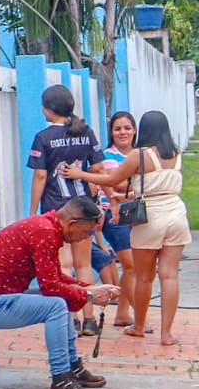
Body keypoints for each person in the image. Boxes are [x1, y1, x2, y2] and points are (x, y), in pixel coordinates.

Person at [0, 197, 117, 389]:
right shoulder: (44, 232)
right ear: (72, 224)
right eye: (87, 232)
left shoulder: (46, 227)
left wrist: (88, 288)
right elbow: (50, 286)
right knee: (57, 304)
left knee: (61, 297)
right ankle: (61, 380)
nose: (85, 238)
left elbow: (55, 278)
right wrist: (91, 296)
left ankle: (72, 366)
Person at [63, 110, 191, 345]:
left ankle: (139, 327)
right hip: (177, 213)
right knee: (170, 276)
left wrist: (80, 174)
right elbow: (160, 186)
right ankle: (166, 334)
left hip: (151, 217)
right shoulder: (175, 154)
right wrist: (129, 196)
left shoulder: (139, 155)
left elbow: (112, 181)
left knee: (144, 277)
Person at [27, 84, 104, 335]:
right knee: (84, 264)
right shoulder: (86, 132)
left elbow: (40, 175)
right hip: (84, 205)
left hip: (57, 209)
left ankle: (71, 319)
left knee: (64, 265)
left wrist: (33, 210)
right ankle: (89, 318)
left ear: (48, 109)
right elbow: (99, 169)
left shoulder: (44, 137)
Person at [98, 110, 139, 327]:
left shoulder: (140, 153)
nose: (122, 132)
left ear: (134, 130)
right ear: (111, 133)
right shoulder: (107, 156)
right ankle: (140, 318)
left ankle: (123, 314)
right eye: (117, 129)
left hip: (138, 214)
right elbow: (119, 185)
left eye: (127, 128)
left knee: (132, 267)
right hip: (115, 215)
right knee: (132, 266)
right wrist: (140, 184)